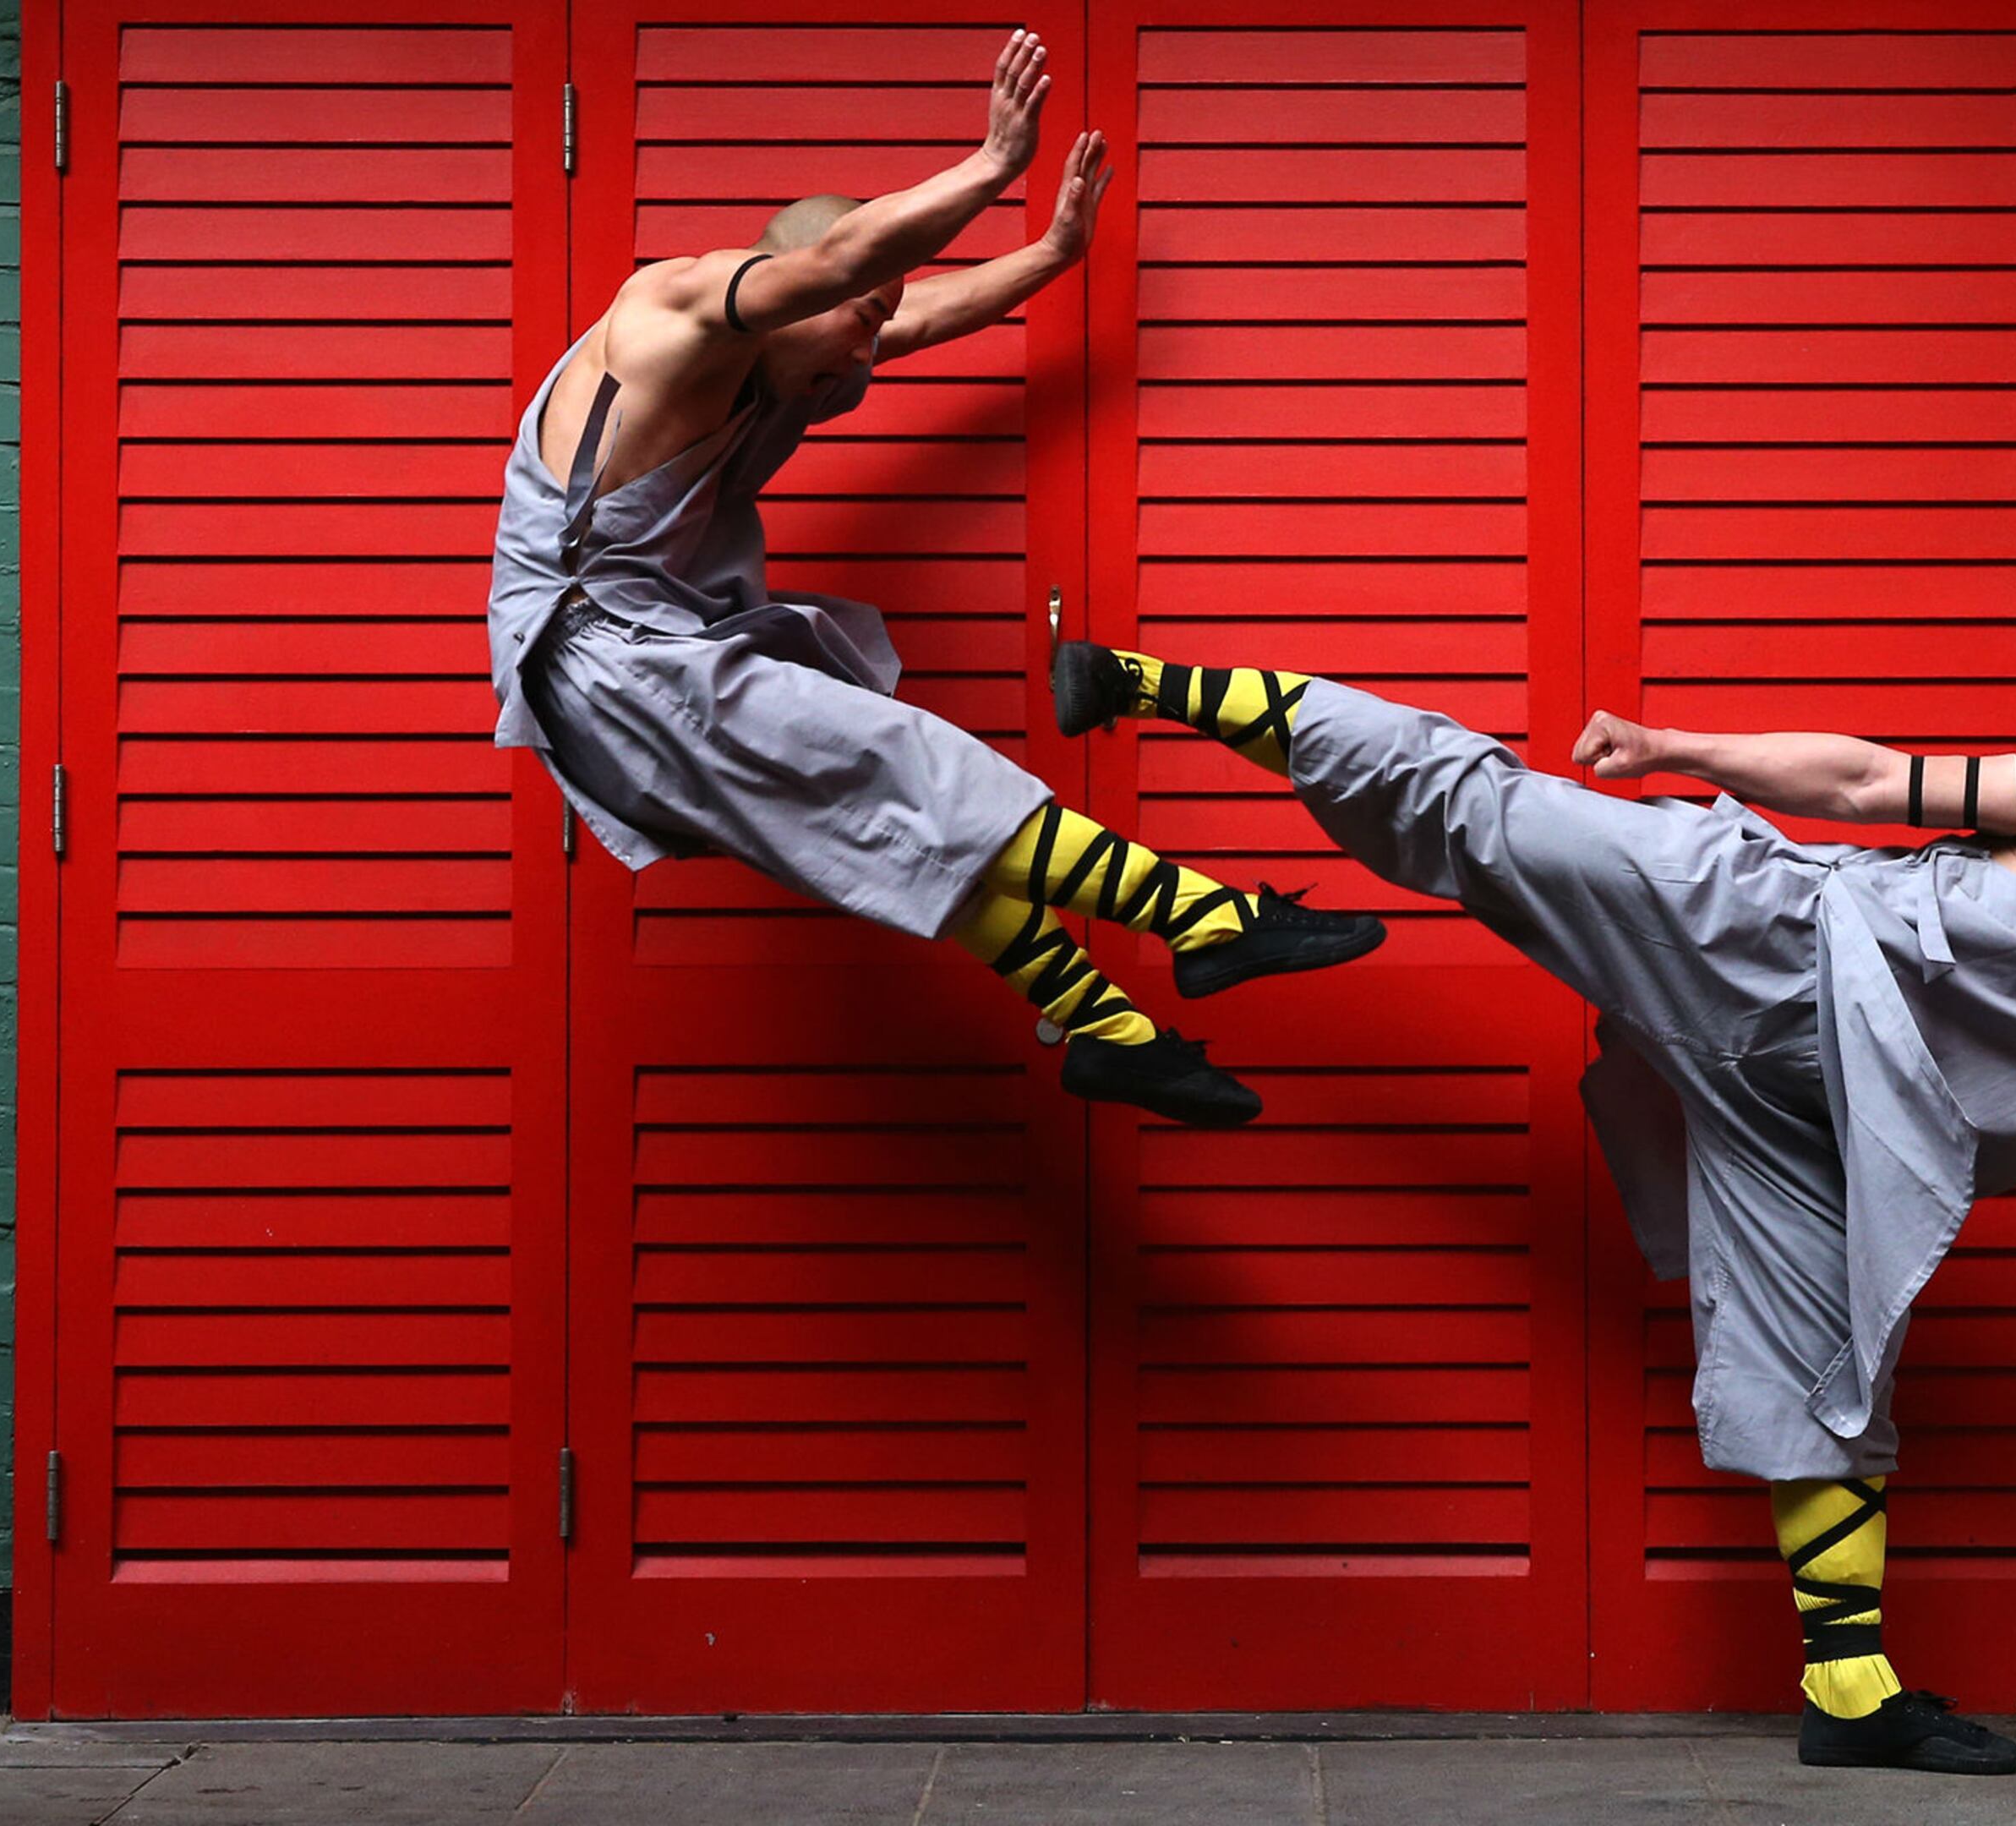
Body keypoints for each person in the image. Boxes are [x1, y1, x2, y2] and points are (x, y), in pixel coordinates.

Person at [1050, 642, 2016, 1774]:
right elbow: (1866, 779)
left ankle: (1849, 1700)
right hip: (1768, 939)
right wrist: (1674, 744)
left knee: (1831, 1379)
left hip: (1834, 1131)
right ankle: (1144, 682)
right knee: (1489, 810)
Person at [485, 30, 1381, 1127]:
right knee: (915, 760)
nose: (871, 355)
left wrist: (1050, 255)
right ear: (805, 284)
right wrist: (991, 167)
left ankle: (1106, 1029)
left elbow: (904, 313)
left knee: (902, 817)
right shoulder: (675, 308)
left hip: (651, 644)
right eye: (863, 318)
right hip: (600, 651)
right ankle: (1201, 920)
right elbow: (840, 269)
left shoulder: (792, 351)